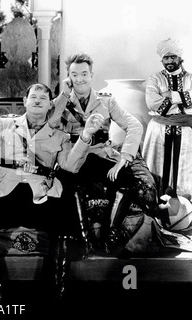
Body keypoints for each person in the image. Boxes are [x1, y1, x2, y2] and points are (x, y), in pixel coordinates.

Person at [0, 83, 103, 301]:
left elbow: (70, 166)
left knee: (64, 217)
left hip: (39, 194)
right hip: (5, 191)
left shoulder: (60, 136)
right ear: (25, 101)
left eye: (43, 98)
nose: (38, 101)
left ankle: (56, 290)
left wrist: (86, 135)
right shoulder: (2, 125)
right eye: (33, 97)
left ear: (50, 104)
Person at [50, 53, 158, 253]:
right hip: (76, 157)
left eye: (84, 74)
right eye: (74, 75)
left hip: (100, 156)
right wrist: (64, 95)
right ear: (69, 77)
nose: (80, 79)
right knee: (66, 180)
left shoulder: (106, 101)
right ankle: (84, 237)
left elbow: (133, 125)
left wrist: (124, 157)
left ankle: (112, 233)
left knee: (127, 179)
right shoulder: (61, 102)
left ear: (91, 75)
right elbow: (50, 124)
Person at [143, 38, 192, 198]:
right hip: (159, 131)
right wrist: (184, 100)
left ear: (180, 58)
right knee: (156, 172)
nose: (169, 61)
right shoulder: (155, 79)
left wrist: (170, 95)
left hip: (186, 132)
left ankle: (186, 209)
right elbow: (152, 103)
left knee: (185, 172)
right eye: (166, 58)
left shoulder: (190, 78)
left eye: (173, 57)